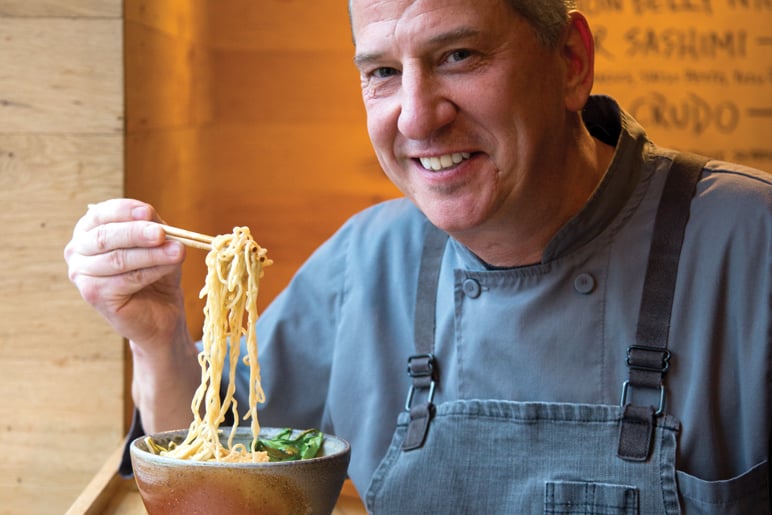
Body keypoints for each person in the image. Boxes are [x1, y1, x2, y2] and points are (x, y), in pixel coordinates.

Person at [64, 0, 770, 512]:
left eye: (458, 55)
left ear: (571, 63)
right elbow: (211, 484)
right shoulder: (366, 262)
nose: (416, 115)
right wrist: (157, 339)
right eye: (381, 72)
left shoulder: (752, 244)